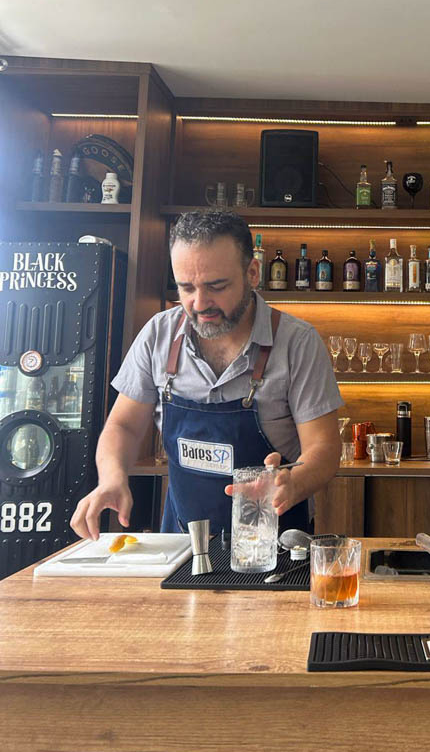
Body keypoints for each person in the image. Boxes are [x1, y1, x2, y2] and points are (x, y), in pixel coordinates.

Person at [71, 210, 344, 539]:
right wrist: (112, 477)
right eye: (186, 288)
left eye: (216, 286)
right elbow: (124, 426)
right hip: (182, 542)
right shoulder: (158, 335)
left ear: (252, 273)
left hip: (272, 544)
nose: (199, 304)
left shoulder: (297, 343)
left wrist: (293, 483)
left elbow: (325, 450)